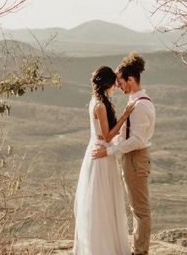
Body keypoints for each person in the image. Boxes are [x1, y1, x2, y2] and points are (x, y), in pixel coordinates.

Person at [92, 53, 156, 255]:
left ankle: (140, 251)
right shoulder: (134, 102)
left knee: (141, 211)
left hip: (136, 158)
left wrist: (110, 150)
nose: (118, 85)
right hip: (131, 158)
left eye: (120, 81)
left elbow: (137, 140)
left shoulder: (141, 105)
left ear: (130, 79)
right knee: (136, 209)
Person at [72, 66, 136, 255]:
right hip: (101, 155)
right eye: (114, 83)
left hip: (101, 152)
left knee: (104, 200)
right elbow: (107, 135)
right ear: (107, 83)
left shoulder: (98, 101)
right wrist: (125, 116)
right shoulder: (99, 106)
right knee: (102, 201)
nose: (116, 86)